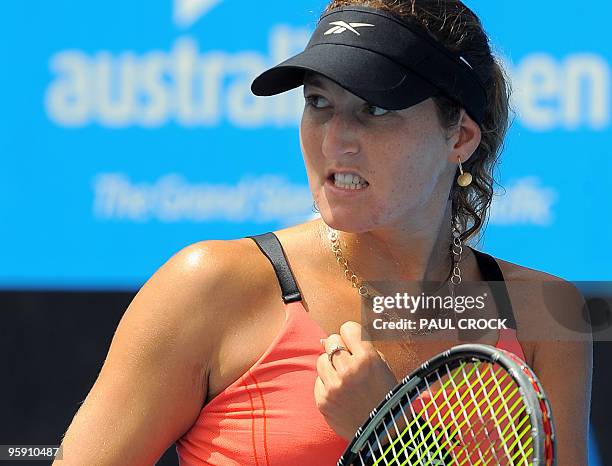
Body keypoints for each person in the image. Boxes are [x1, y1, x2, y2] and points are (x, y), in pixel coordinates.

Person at [55, 1, 592, 465]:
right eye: (318, 103)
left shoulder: (547, 316)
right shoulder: (208, 287)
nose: (336, 137)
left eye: (376, 108)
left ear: (461, 137)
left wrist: (392, 434)